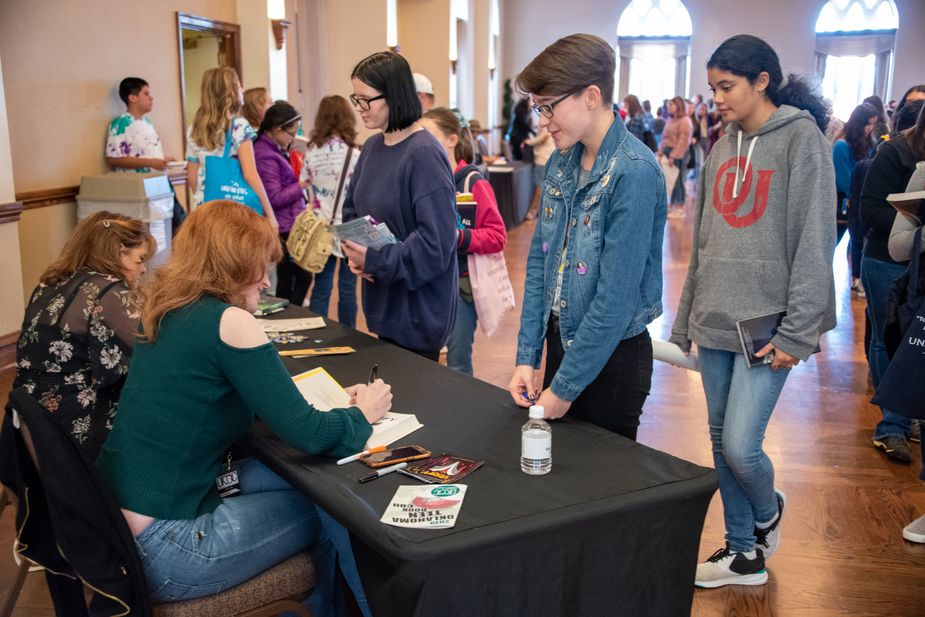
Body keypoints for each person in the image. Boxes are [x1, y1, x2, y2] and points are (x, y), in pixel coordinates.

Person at [95, 201, 392, 616]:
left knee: (297, 479)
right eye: (259, 268)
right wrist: (363, 413)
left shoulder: (165, 310)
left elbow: (211, 400)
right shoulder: (229, 321)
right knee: (333, 504)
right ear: (232, 265)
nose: (266, 281)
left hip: (120, 530)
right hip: (170, 547)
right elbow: (312, 434)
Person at [670, 34, 836, 588]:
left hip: (767, 329)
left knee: (742, 446)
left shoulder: (801, 140)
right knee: (719, 443)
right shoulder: (721, 147)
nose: (716, 98)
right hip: (714, 318)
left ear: (763, 81)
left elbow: (814, 240)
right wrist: (684, 318)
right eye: (712, 87)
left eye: (726, 86)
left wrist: (799, 331)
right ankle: (743, 554)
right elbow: (705, 242)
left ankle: (766, 513)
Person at [507, 34, 666, 443]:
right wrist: (528, 356)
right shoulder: (563, 161)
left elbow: (615, 298)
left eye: (549, 106)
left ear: (591, 96)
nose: (542, 120)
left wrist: (564, 387)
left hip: (614, 361)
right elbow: (542, 263)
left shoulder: (634, 171)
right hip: (563, 346)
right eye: (537, 108)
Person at [12, 211, 153, 616]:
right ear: (115, 251)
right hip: (80, 436)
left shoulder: (50, 285)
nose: (142, 270)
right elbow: (145, 359)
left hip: (38, 431)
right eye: (139, 259)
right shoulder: (107, 292)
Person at [342, 51, 458, 360]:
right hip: (383, 304)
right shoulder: (371, 147)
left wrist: (376, 260)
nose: (359, 109)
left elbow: (436, 243)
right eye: (356, 99)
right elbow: (352, 211)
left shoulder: (423, 153)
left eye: (366, 100)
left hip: (417, 313)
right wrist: (355, 253)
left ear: (394, 95)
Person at [860, 98, 925, 463]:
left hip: (920, 265)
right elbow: (868, 209)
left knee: (916, 344)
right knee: (889, 339)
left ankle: (906, 415)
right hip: (886, 261)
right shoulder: (895, 152)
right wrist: (912, 223)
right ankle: (893, 424)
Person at [420, 107, 507, 375]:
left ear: (452, 139)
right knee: (424, 358)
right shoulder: (422, 179)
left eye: (428, 134)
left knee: (457, 363)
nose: (421, 141)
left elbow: (497, 235)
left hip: (460, 286)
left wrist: (458, 237)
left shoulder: (472, 182)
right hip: (427, 283)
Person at [185, 67, 277, 230]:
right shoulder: (239, 126)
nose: (242, 89)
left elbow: (192, 176)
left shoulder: (194, 128)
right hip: (233, 207)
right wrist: (270, 215)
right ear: (231, 92)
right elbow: (250, 175)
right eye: (239, 85)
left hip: (203, 207)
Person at [301, 95, 361, 326]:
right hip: (348, 227)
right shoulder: (355, 154)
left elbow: (304, 183)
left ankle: (318, 334)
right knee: (347, 288)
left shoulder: (312, 153)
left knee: (322, 285)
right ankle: (349, 335)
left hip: (321, 228)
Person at [254, 100, 312, 305]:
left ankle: (290, 317)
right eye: (291, 133)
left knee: (293, 277)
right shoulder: (266, 155)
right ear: (277, 129)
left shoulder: (273, 149)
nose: (293, 138)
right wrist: (301, 186)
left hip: (288, 222)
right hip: (284, 225)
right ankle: (289, 317)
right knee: (297, 277)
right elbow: (275, 197)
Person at [833, 102, 878, 294]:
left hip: (860, 202)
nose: (870, 129)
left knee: (858, 243)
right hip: (843, 204)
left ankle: (856, 278)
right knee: (832, 244)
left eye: (874, 124)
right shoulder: (841, 145)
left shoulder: (871, 144)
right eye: (868, 124)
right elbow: (843, 179)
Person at [105, 77, 172, 173]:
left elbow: (144, 155)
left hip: (156, 181)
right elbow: (112, 158)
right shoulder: (121, 123)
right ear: (132, 98)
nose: (151, 98)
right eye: (146, 94)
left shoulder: (148, 123)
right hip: (136, 184)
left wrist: (163, 161)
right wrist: (150, 163)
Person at [658, 95, 693, 219]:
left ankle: (679, 208)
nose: (669, 107)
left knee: (678, 181)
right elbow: (664, 137)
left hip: (678, 154)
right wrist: (660, 152)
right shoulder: (671, 119)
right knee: (669, 181)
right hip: (667, 153)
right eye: (668, 105)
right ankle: (672, 206)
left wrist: (674, 156)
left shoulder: (685, 120)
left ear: (678, 106)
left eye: (671, 105)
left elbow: (683, 141)